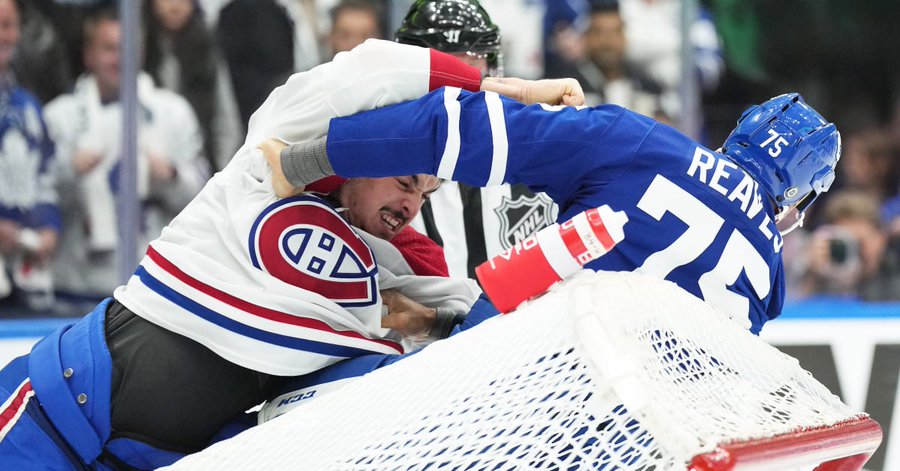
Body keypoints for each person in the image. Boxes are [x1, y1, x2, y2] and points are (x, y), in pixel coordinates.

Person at [0, 36, 583, 468]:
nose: (413, 205)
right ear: (372, 150)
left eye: (427, 194)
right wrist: (510, 92)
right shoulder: (270, 163)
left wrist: (439, 317)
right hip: (53, 410)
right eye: (406, 182)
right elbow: (371, 68)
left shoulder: (402, 264)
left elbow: (483, 330)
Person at [268, 91, 840, 336]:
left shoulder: (642, 143)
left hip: (508, 403)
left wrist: (308, 160)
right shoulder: (770, 277)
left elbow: (466, 127)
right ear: (796, 196)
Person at [44, 7, 209, 311]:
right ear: (88, 55)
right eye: (109, 48)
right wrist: (71, 172)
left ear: (142, 52)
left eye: (128, 48)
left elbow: (206, 198)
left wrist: (170, 176)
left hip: (152, 285)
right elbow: (38, 202)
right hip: (75, 287)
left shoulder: (174, 113)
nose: (119, 58)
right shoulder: (59, 117)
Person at [395, 0, 559, 279]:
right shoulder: (380, 168)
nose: (463, 88)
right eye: (449, 70)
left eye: (473, 68)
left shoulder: (535, 156)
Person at [0, 0, 60, 313]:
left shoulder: (27, 105)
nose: (3, 35)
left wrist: (48, 227)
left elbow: (45, 175)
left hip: (21, 275)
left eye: (8, 25)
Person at [142, 0, 242, 171]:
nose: (175, 5)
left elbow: (226, 124)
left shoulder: (207, 51)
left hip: (199, 168)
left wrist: (221, 176)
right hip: (146, 167)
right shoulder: (135, 48)